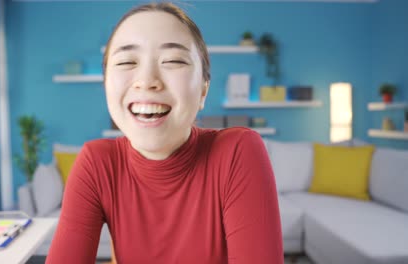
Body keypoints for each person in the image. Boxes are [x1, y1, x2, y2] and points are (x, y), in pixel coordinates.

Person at [46, 2, 283, 263]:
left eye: (173, 61)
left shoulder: (238, 151)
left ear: (203, 89)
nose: (147, 80)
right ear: (106, 85)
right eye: (126, 61)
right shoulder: (96, 162)